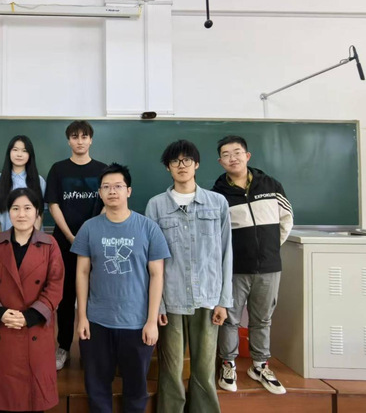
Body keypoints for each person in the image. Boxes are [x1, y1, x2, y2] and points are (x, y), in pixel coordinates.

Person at [72, 163, 169, 413]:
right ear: (100, 193)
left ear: (129, 191)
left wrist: (151, 321)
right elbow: (82, 273)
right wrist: (82, 317)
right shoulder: (89, 228)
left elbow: (157, 275)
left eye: (117, 186)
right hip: (97, 322)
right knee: (97, 387)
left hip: (136, 323)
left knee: (136, 389)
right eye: (106, 187)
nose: (112, 191)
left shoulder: (148, 228)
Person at [145, 140, 233, 413]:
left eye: (187, 160)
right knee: (170, 370)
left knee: (204, 370)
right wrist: (157, 305)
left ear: (196, 164)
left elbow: (227, 253)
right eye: (175, 161)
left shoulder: (217, 203)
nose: (181, 165)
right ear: (168, 168)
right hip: (170, 299)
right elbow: (151, 260)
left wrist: (224, 301)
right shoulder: (156, 206)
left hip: (208, 298)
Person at [213, 135, 293, 395]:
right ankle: (228, 364)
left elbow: (286, 219)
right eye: (226, 154)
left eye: (237, 152)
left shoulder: (271, 184)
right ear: (220, 161)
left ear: (247, 156)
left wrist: (269, 248)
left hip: (269, 266)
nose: (232, 158)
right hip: (235, 268)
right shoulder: (218, 194)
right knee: (230, 320)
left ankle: (260, 366)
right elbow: (217, 234)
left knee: (262, 319)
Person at [0, 188, 65, 413]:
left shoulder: (50, 244)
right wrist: (0, 312)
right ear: (8, 212)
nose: (21, 214)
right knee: (2, 401)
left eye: (27, 208)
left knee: (34, 400)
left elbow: (55, 286)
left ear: (37, 212)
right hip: (2, 327)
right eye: (15, 208)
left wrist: (29, 317)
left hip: (35, 328)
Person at [45, 120, 106, 370]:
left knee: (95, 295)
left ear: (91, 139)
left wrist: (89, 236)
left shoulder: (103, 170)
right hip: (64, 242)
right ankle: (63, 347)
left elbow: (108, 203)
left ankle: (93, 347)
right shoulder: (58, 169)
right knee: (66, 295)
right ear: (68, 140)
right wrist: (71, 237)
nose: (79, 141)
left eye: (84, 136)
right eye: (74, 137)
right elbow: (53, 205)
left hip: (97, 242)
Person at [0, 135, 46, 234]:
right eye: (15, 150)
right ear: (9, 152)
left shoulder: (39, 180)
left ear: (30, 154)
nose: (19, 154)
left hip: (33, 238)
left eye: (24, 151)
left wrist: (33, 238)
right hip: (3, 236)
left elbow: (40, 213)